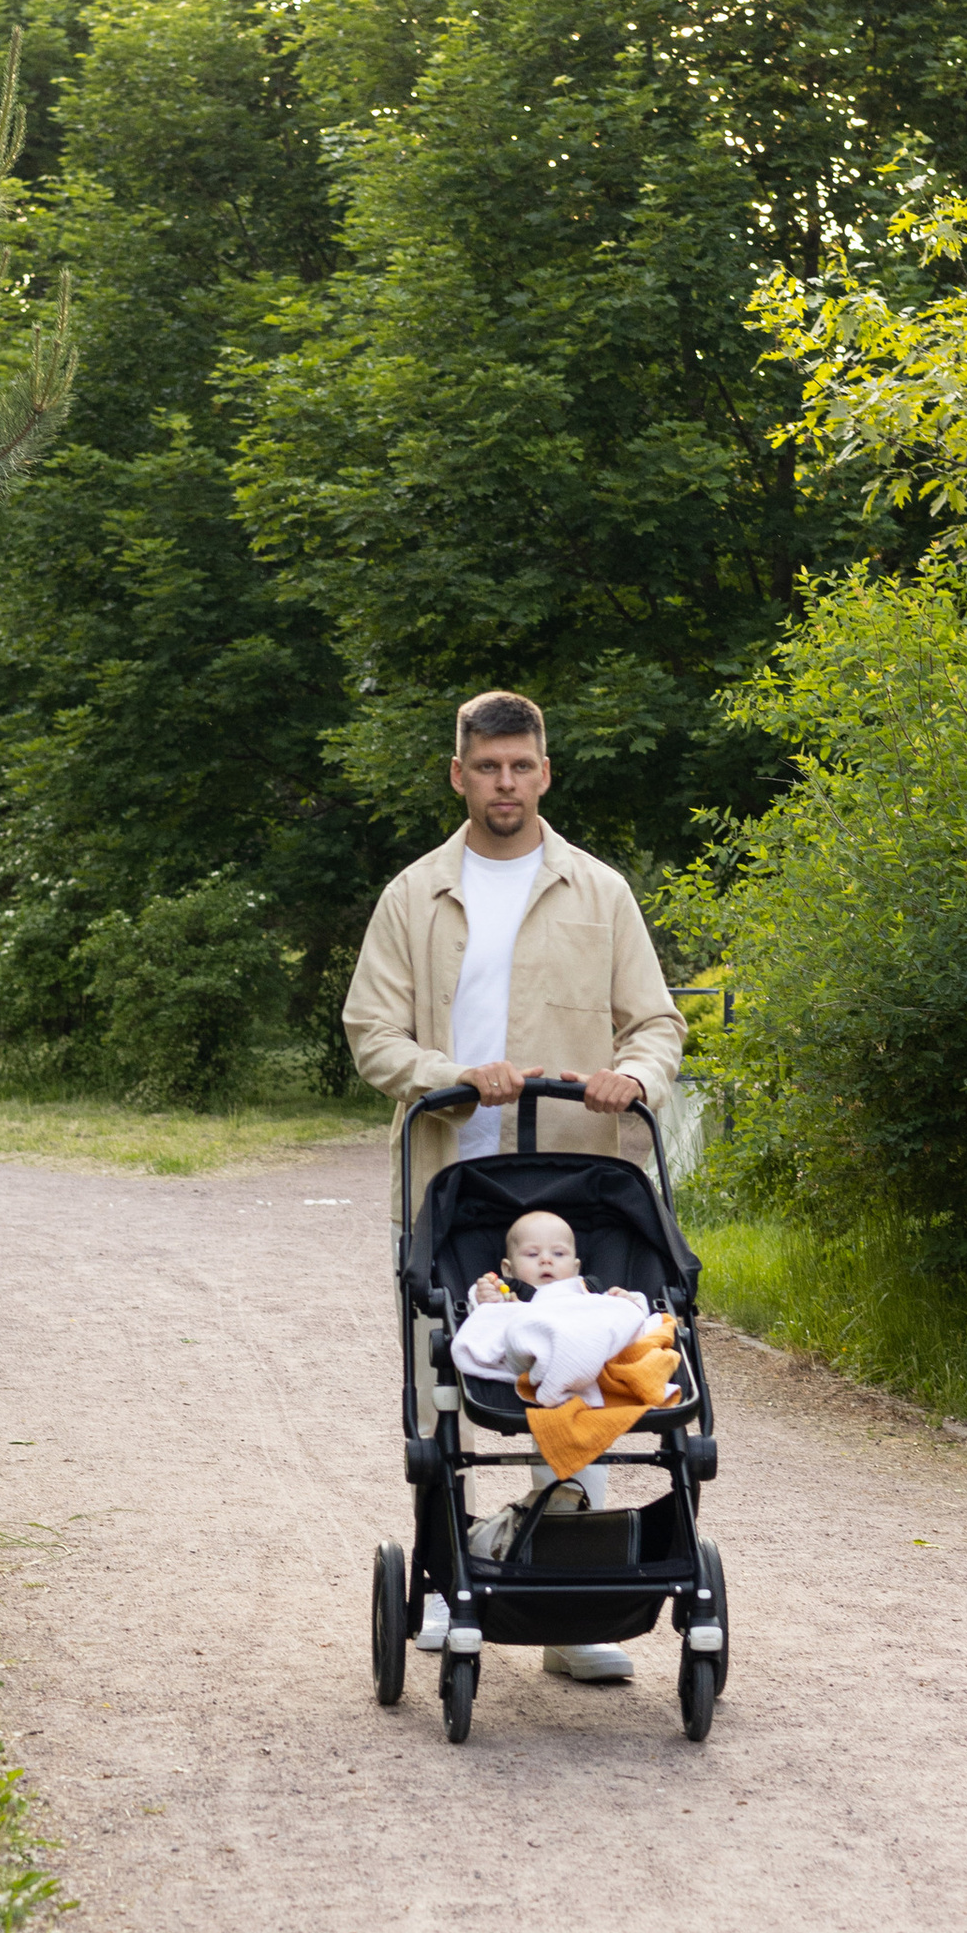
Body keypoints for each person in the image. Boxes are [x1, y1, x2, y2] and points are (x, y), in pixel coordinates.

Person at [342, 689, 686, 1684]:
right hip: (455, 1177)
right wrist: (441, 1075)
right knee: (454, 1384)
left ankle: (564, 1601)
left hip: (574, 1174)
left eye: (521, 767)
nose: (505, 784)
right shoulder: (416, 896)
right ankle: (453, 1583)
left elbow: (655, 1024)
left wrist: (635, 1078)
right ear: (459, 775)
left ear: (545, 771)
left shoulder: (598, 892)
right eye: (486, 768)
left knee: (569, 1377)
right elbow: (374, 1032)